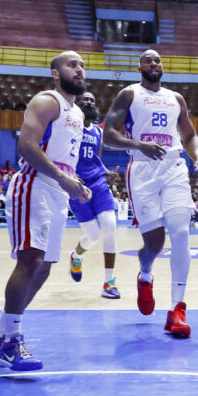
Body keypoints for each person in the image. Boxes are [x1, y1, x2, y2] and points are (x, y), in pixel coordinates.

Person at [0, 51, 90, 371]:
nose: (79, 70)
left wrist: (75, 183)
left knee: (44, 268)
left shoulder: (76, 112)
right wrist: (64, 178)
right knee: (31, 259)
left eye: (82, 65)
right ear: (55, 73)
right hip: (34, 185)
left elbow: (62, 158)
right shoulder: (47, 101)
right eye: (72, 65)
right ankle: (12, 340)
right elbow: (27, 146)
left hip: (57, 190)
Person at [103, 49, 198, 338]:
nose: (153, 63)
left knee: (181, 232)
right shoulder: (129, 94)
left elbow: (189, 135)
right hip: (142, 170)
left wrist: (196, 157)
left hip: (174, 167)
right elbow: (108, 134)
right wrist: (138, 145)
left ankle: (177, 308)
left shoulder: (176, 98)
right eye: (148, 59)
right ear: (139, 66)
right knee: (154, 244)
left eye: (157, 59)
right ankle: (145, 274)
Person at [68, 91, 122, 299]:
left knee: (110, 226)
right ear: (77, 103)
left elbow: (95, 159)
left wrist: (106, 171)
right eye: (85, 99)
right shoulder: (70, 127)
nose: (89, 102)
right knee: (92, 235)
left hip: (98, 183)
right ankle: (76, 255)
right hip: (75, 185)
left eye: (92, 100)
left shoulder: (98, 133)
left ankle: (109, 282)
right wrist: (70, 176)